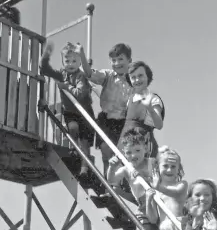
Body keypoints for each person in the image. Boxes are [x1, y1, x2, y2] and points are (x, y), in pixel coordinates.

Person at [107, 128, 163, 230]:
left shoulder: (153, 162)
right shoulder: (127, 168)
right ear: (124, 154)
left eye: (137, 150)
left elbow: (163, 181)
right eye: (129, 152)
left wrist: (146, 177)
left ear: (145, 148)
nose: (133, 155)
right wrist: (112, 167)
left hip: (160, 201)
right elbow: (111, 179)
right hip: (144, 206)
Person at [40, 41, 95, 179]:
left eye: (74, 61)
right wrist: (46, 55)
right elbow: (45, 69)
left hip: (85, 112)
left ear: (79, 63)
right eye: (67, 61)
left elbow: (80, 93)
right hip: (71, 112)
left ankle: (84, 169)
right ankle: (75, 149)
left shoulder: (81, 76)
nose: (70, 64)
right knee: (72, 127)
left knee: (85, 143)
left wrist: (66, 87)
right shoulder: (61, 74)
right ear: (63, 62)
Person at [79, 43, 132, 175]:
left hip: (123, 122)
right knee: (105, 151)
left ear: (129, 61)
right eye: (113, 60)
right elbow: (89, 73)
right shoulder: (108, 75)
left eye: (120, 59)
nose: (117, 63)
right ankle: (108, 185)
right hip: (107, 120)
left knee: (120, 155)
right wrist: (82, 55)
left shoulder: (132, 81)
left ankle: (117, 185)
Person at [119, 61, 164, 158]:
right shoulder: (130, 99)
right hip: (126, 141)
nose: (137, 80)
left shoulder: (153, 98)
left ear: (148, 76)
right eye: (133, 77)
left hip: (142, 143)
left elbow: (159, 125)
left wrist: (150, 109)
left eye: (140, 75)